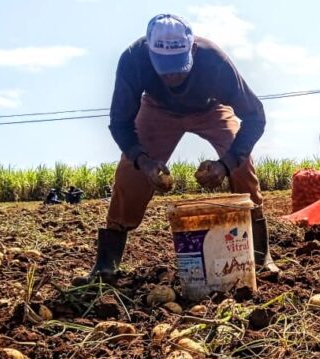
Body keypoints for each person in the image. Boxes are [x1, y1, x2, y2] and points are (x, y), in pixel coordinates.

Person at [80, 13, 276, 283]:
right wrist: (144, 161)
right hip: (157, 109)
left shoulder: (214, 61)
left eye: (178, 66)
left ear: (192, 48)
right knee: (130, 174)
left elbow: (255, 116)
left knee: (242, 166)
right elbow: (120, 123)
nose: (172, 75)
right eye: (164, 66)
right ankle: (107, 264)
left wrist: (226, 164)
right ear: (149, 52)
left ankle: (260, 254)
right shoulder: (133, 60)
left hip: (210, 107)